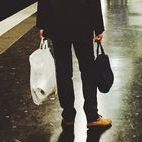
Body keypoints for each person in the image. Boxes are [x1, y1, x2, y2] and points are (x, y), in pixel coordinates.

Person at [36, 0, 112, 128]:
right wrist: (98, 28)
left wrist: (42, 23)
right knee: (88, 71)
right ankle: (92, 115)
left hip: (57, 24)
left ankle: (68, 116)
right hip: (82, 24)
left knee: (63, 72)